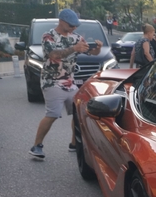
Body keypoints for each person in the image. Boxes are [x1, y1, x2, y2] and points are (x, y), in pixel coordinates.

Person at [29, 9, 102, 159]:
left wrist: (97, 49)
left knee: (78, 113)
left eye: (76, 26)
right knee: (53, 114)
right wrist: (74, 48)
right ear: (61, 22)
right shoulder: (48, 36)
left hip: (70, 82)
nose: (74, 28)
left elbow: (91, 53)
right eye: (71, 25)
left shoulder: (76, 37)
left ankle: (74, 144)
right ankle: (36, 146)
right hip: (52, 81)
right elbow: (54, 55)